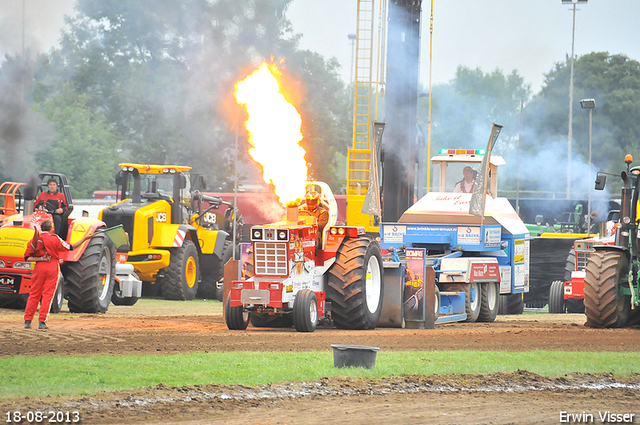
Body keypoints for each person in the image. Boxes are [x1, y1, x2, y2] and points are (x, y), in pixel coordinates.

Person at [23, 218, 93, 330]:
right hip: (52, 266)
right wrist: (85, 238)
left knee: (34, 294)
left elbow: (27, 258)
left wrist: (41, 258)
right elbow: (70, 247)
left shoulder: (35, 240)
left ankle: (27, 321)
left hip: (39, 266)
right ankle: (42, 321)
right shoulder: (55, 238)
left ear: (41, 228)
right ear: (51, 228)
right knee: (48, 295)